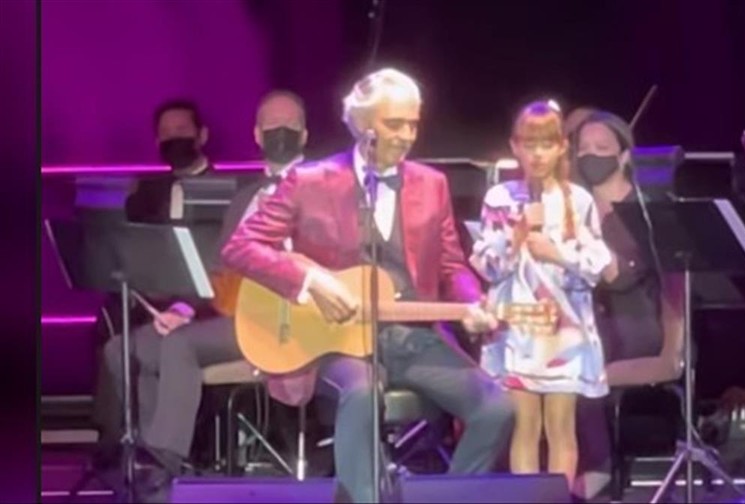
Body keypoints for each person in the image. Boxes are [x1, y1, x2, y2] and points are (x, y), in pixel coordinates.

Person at [221, 68, 514, 503]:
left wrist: (473, 303)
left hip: (412, 336)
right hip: (335, 339)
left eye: (413, 124)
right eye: (394, 124)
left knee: (496, 408)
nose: (407, 135)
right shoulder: (310, 181)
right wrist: (310, 281)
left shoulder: (432, 184)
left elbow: (452, 266)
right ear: (361, 123)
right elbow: (240, 247)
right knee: (361, 394)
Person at [97, 91, 311, 492]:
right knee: (124, 349)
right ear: (257, 134)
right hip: (230, 314)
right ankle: (148, 461)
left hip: (287, 320)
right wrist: (183, 308)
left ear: (304, 134)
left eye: (290, 126)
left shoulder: (325, 190)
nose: (280, 133)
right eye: (272, 126)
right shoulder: (245, 197)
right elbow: (218, 272)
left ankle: (163, 463)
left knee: (179, 346)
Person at [469, 99, 612, 495]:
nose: (537, 154)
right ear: (515, 147)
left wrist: (557, 253)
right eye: (529, 144)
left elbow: (597, 265)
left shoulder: (578, 200)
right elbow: (488, 267)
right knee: (525, 426)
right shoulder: (500, 198)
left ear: (561, 147)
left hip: (565, 331)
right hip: (517, 328)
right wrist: (515, 237)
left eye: (546, 144)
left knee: (561, 427)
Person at [567, 110, 666, 497]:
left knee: (579, 354)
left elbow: (621, 277)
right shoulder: (572, 204)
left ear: (624, 156)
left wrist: (581, 242)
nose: (591, 155)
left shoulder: (642, 209)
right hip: (585, 317)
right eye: (584, 148)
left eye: (602, 147)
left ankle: (598, 465)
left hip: (635, 320)